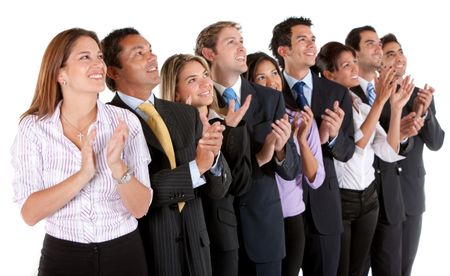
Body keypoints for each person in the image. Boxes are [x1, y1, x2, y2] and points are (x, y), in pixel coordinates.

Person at [11, 28, 153, 276]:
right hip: (63, 257)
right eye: (85, 57)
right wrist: (83, 175)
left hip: (124, 254)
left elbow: (140, 209)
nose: (98, 63)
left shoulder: (125, 122)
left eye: (99, 56)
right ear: (60, 73)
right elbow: (30, 214)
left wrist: (117, 167)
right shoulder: (34, 128)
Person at [101, 28, 231, 276]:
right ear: (113, 71)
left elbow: (218, 189)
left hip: (198, 249)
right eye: (139, 53)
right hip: (149, 251)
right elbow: (131, 191)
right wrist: (197, 168)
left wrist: (212, 158)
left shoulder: (186, 114)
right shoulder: (107, 121)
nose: (152, 57)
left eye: (150, 50)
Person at [196, 21, 300, 276]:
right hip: (218, 234)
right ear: (210, 54)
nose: (242, 47)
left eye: (241, 41)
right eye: (232, 42)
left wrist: (280, 151)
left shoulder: (270, 98)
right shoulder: (198, 101)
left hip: (265, 231)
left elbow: (291, 170)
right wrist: (260, 157)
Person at [315, 41, 412, 276]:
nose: (355, 69)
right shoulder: (328, 107)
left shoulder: (362, 105)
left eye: (355, 63)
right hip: (342, 200)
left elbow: (387, 152)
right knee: (342, 269)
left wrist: (396, 108)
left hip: (369, 200)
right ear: (329, 74)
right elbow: (355, 146)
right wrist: (380, 101)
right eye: (347, 65)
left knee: (359, 269)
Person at [270, 17, 355, 276]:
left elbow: (347, 151)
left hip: (324, 208)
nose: (311, 45)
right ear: (283, 51)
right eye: (302, 39)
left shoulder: (335, 92)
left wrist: (332, 136)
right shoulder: (269, 89)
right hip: (280, 209)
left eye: (313, 39)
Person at [160, 53, 252, 276]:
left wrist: (229, 131)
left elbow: (240, 185)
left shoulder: (228, 122)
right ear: (176, 91)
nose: (205, 84)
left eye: (205, 75)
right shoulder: (163, 129)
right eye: (192, 80)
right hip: (182, 236)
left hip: (221, 234)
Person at [345, 25, 421, 276]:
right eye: (370, 44)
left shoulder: (396, 88)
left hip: (390, 199)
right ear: (354, 54)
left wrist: (405, 133)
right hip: (355, 203)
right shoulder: (344, 92)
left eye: (379, 43)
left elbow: (393, 145)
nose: (379, 47)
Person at [244, 52, 325, 276]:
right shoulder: (243, 122)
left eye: (274, 73)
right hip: (258, 221)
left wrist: (300, 140)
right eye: (261, 78)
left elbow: (316, 179)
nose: (271, 82)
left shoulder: (301, 118)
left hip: (291, 221)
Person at [380, 33, 445, 276]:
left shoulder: (421, 95)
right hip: (380, 193)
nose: (398, 58)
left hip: (411, 194)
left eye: (400, 51)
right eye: (390, 54)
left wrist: (424, 113)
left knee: (404, 267)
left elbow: (436, 143)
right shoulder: (373, 94)